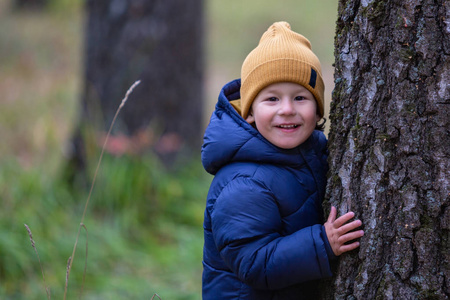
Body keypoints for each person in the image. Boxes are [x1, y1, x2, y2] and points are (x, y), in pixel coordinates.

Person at [201, 21, 364, 299]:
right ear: (250, 111)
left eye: (300, 97)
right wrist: (322, 244)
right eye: (272, 99)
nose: (287, 110)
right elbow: (254, 264)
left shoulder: (312, 153)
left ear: (318, 108)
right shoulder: (244, 183)